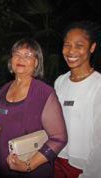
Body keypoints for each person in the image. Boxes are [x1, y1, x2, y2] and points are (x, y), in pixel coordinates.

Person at [0, 38, 68, 178]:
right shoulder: (4, 89)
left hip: (32, 169)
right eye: (17, 54)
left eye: (28, 55)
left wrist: (28, 166)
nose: (21, 58)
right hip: (2, 165)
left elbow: (59, 138)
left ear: (36, 63)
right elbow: (6, 123)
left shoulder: (44, 93)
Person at [54, 21, 101, 178]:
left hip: (83, 166)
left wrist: (91, 174)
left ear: (92, 47)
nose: (71, 51)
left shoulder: (98, 85)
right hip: (57, 160)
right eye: (67, 45)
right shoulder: (60, 81)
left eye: (79, 45)